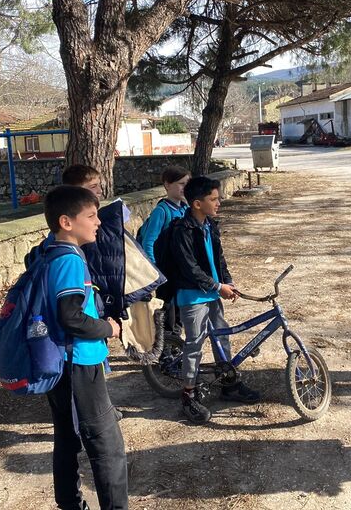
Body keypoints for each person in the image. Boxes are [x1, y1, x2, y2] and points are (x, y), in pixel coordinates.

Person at [42, 185, 128, 510]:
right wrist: (109, 327)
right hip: (78, 363)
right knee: (108, 447)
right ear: (66, 221)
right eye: (90, 216)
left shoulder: (50, 250)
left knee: (67, 437)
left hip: (64, 363)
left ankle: (69, 503)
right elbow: (71, 317)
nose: (98, 223)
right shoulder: (69, 260)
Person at [169, 176, 260, 424]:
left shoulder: (210, 225)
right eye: (213, 199)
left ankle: (229, 384)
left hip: (213, 291)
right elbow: (189, 268)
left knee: (222, 337)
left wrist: (227, 282)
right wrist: (218, 286)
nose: (218, 202)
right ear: (197, 203)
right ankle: (188, 395)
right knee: (195, 345)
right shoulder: (182, 230)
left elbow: (218, 260)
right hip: (193, 295)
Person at [139, 165, 190, 333]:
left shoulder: (185, 209)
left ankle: (175, 347)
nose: (185, 187)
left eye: (187, 183)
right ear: (167, 185)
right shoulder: (161, 211)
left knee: (180, 312)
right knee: (167, 312)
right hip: (166, 272)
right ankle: (166, 350)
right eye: (181, 183)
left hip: (181, 271)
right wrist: (156, 271)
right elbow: (149, 241)